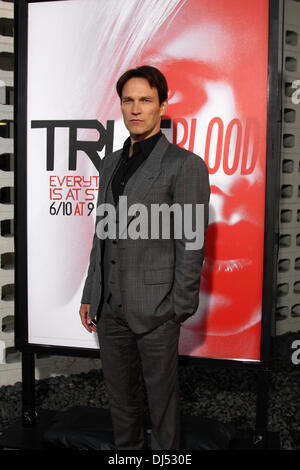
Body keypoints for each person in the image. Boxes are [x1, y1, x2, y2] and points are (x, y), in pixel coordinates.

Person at [79, 65, 210, 450]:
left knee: (162, 405)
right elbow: (102, 234)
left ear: (162, 107)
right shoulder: (110, 163)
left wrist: (177, 308)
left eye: (146, 101)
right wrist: (92, 291)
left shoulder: (184, 165)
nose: (136, 109)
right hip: (111, 309)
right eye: (129, 100)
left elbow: (192, 242)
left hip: (157, 311)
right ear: (121, 106)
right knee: (121, 405)